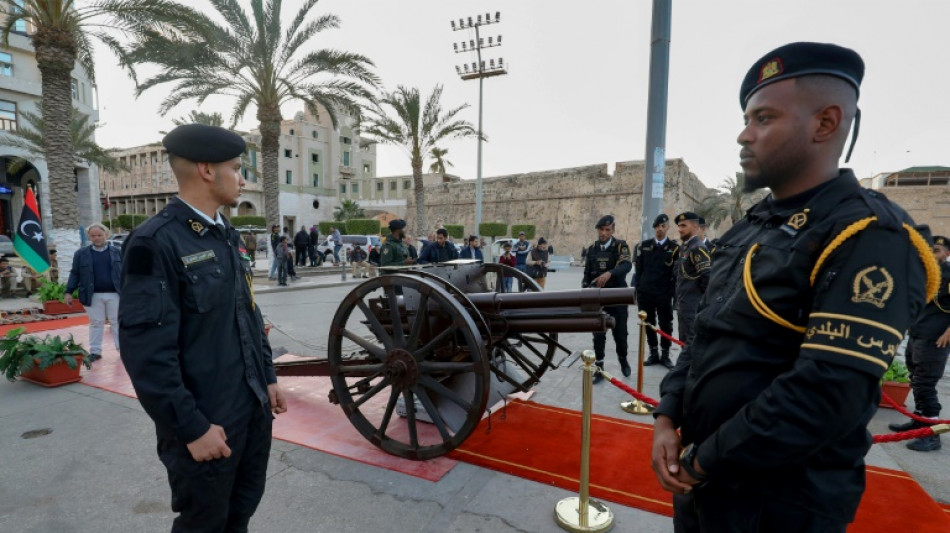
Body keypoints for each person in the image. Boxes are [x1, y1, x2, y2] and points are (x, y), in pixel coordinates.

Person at [651, 43, 934, 532]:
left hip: (781, 501)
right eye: (747, 118)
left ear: (825, 123)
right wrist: (667, 414)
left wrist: (703, 461)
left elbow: (826, 392)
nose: (744, 134)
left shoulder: (868, 234)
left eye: (763, 118)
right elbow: (705, 333)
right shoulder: (752, 225)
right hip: (708, 483)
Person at [118, 123, 287, 532]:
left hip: (248, 409)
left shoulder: (225, 235)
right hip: (206, 422)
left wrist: (267, 376)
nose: (242, 178)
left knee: (240, 512)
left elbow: (247, 312)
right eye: (236, 167)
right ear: (208, 171)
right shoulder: (155, 242)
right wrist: (191, 428)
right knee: (204, 523)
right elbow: (147, 355)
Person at [888, 234, 950, 451]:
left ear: (947, 253)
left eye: (937, 250)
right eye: (930, 249)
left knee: (926, 383)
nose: (933, 254)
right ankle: (918, 421)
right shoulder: (925, 273)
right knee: (915, 378)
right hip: (917, 333)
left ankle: (933, 435)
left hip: (936, 339)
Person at [582, 216, 633, 381]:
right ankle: (599, 367)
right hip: (598, 298)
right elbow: (587, 273)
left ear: (613, 230)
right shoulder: (592, 249)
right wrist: (584, 292)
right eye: (601, 230)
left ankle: (623, 360)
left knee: (620, 333)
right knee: (598, 334)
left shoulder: (620, 246)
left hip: (617, 297)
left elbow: (627, 265)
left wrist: (610, 273)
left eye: (607, 230)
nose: (603, 233)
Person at [65, 223, 122, 362]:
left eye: (99, 235)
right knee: (96, 322)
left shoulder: (118, 251)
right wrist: (68, 292)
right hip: (92, 295)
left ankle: (123, 350)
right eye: (93, 235)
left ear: (106, 235)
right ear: (89, 236)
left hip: (115, 294)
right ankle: (95, 351)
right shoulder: (81, 254)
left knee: (117, 322)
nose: (96, 238)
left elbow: (127, 272)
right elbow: (75, 273)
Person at [634, 213, 677, 369]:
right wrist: (638, 289)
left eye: (663, 226)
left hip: (663, 294)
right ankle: (653, 353)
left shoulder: (674, 249)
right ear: (654, 228)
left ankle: (665, 354)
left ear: (667, 228)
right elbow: (639, 270)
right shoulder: (644, 246)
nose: (660, 229)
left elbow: (675, 273)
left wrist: (672, 293)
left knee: (666, 324)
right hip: (646, 294)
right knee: (648, 323)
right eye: (657, 226)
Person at [672, 211, 710, 348]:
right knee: (684, 344)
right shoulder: (685, 247)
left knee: (691, 346)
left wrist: (698, 300)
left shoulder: (697, 248)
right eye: (679, 226)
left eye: (683, 225)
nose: (680, 229)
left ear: (695, 227)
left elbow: (706, 277)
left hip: (692, 307)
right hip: (683, 305)